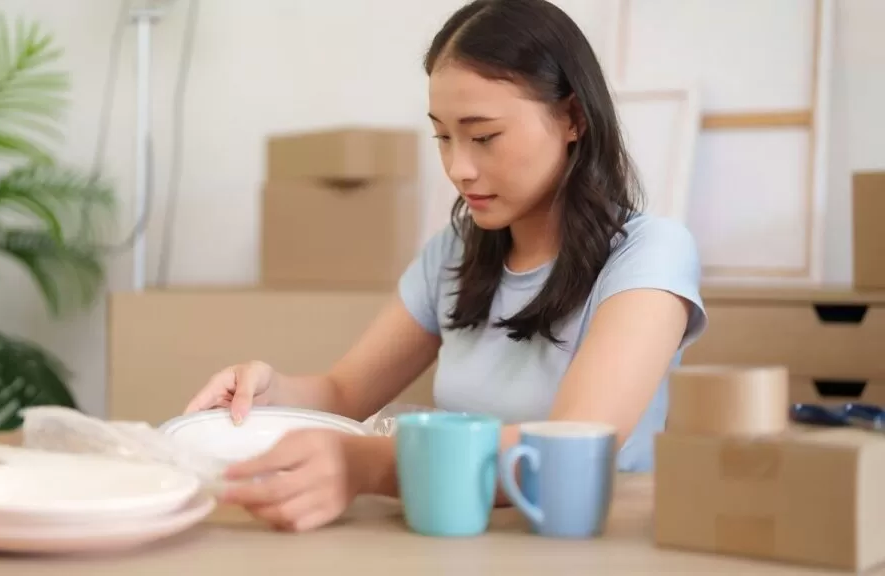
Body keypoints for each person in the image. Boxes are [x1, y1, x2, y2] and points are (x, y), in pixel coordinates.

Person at [184, 0, 707, 532]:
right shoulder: (454, 252)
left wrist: (366, 464)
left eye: (484, 137)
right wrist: (271, 394)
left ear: (572, 117)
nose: (459, 168)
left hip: (595, 546)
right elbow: (345, 392)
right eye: (443, 136)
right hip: (457, 536)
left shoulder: (649, 255)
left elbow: (572, 445)